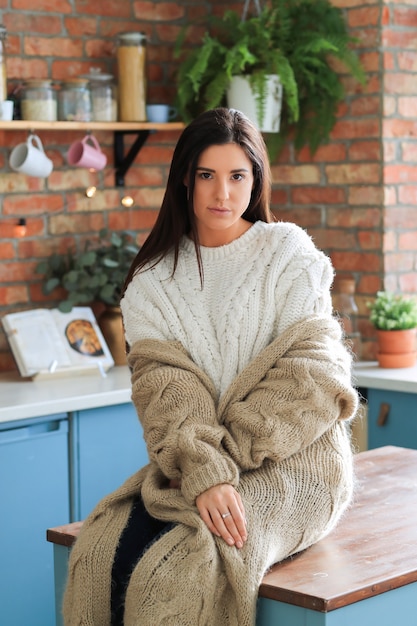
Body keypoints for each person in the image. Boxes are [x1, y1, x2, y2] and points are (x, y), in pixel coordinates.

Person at [63, 108, 359, 626]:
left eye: (237, 176)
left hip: (298, 462)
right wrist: (205, 471)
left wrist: (219, 463)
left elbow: (312, 380)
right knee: (96, 550)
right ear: (185, 179)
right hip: (200, 464)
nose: (222, 193)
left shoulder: (289, 254)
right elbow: (167, 393)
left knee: (181, 567)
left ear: (256, 180)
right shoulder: (153, 283)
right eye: (207, 175)